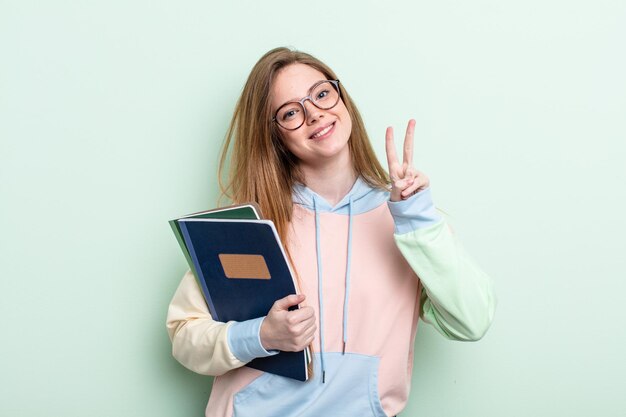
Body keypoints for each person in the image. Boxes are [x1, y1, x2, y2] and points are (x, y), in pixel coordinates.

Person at [166, 47, 496, 417]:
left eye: (322, 94)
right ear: (274, 135)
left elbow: (472, 320)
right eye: (291, 112)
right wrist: (261, 335)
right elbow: (184, 336)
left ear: (342, 98)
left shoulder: (407, 220)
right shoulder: (249, 227)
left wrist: (416, 217)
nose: (314, 114)